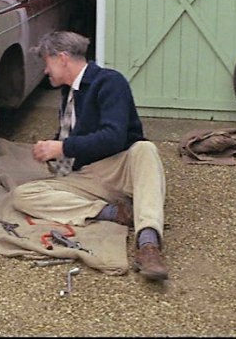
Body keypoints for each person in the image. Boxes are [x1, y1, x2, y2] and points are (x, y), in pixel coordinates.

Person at [11, 31, 168, 281]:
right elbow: (72, 138)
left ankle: (148, 244)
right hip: (88, 177)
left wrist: (62, 148)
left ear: (62, 58)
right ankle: (113, 213)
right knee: (22, 195)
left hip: (121, 167)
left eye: (46, 62)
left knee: (145, 149)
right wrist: (52, 155)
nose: (45, 71)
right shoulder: (68, 94)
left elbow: (113, 137)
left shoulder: (110, 82)